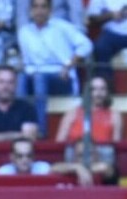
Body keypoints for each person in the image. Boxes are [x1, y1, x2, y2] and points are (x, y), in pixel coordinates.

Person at [16, 0, 92, 135]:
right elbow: (26, 62)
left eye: (43, 7)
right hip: (34, 76)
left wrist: (69, 65)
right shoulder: (24, 32)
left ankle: (40, 131)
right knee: (21, 78)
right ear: (30, 11)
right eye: (36, 7)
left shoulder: (63, 27)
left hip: (61, 76)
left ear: (50, 10)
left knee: (39, 78)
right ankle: (20, 128)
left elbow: (86, 45)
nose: (39, 11)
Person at [53, 75, 121, 185]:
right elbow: (59, 143)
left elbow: (116, 144)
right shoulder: (72, 113)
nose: (98, 93)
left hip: (102, 158)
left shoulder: (115, 115)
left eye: (102, 89)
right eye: (94, 89)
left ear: (107, 92)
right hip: (74, 157)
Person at [15, 0, 83, 33]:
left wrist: (78, 31)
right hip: (36, 31)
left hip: (62, 30)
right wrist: (24, 36)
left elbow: (76, 10)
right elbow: (22, 13)